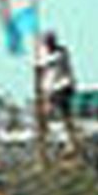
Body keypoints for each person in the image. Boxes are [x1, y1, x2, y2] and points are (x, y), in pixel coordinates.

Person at [35, 31, 84, 160]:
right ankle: (55, 143)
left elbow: (44, 65)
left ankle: (69, 143)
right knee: (49, 117)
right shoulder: (46, 54)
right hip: (50, 90)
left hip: (61, 88)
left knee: (62, 115)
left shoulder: (60, 53)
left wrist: (38, 60)